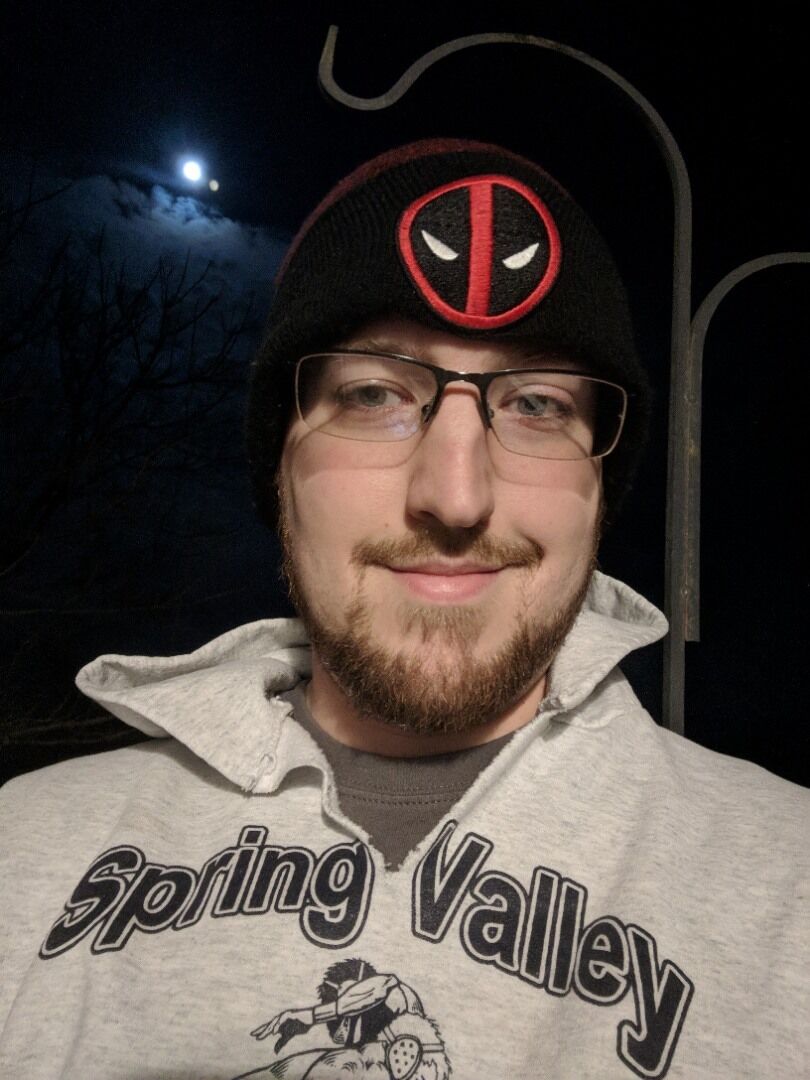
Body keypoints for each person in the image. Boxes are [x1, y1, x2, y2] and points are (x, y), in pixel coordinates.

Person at [0, 138, 807, 1080]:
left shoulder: (788, 884)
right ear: (281, 466)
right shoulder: (25, 854)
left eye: (537, 404)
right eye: (374, 393)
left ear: (600, 485)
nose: (455, 497)